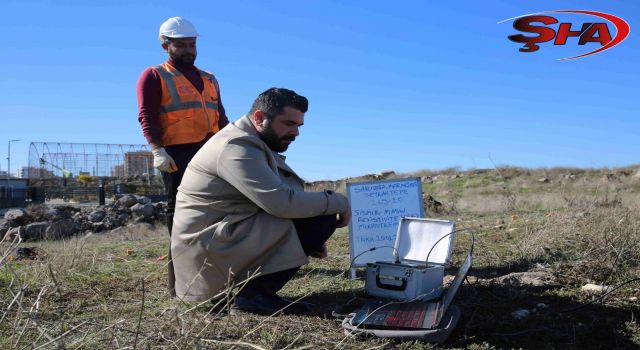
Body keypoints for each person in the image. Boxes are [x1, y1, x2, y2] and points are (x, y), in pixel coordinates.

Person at [171, 88, 351, 314]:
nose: (295, 132)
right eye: (288, 123)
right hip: (210, 251)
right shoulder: (236, 146)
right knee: (323, 213)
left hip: (222, 238)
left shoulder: (250, 140)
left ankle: (252, 293)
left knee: (316, 214)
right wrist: (339, 202)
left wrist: (311, 231)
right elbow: (281, 202)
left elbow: (278, 195)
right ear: (259, 117)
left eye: (298, 125)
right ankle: (252, 297)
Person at [136, 17, 228, 296]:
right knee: (180, 214)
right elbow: (147, 115)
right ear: (166, 46)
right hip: (176, 154)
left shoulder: (209, 78)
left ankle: (218, 271)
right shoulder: (154, 75)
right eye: (181, 45)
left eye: (192, 44)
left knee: (219, 210)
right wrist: (156, 150)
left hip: (210, 151)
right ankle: (179, 282)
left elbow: (221, 117)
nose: (189, 50)